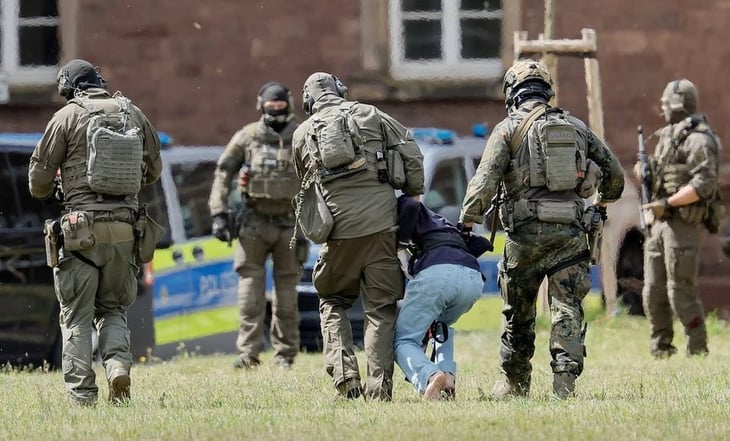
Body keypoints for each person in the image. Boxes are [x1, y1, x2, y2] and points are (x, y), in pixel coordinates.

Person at [459, 59, 624, 399]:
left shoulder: (507, 129)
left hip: (524, 239)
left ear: (512, 94)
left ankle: (514, 384)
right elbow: (615, 176)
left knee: (519, 313)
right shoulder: (577, 127)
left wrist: (466, 221)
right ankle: (565, 383)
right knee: (567, 308)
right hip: (571, 234)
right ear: (547, 91)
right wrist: (601, 206)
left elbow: (484, 180)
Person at [28, 59, 162, 406]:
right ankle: (117, 367)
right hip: (125, 229)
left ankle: (82, 396)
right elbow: (153, 170)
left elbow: (38, 179)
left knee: (76, 318)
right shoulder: (133, 112)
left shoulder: (66, 117)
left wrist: (56, 189)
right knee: (113, 310)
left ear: (68, 87)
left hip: (79, 233)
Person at [292, 72, 424, 400]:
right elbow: (412, 155)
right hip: (382, 229)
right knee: (380, 309)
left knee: (332, 300)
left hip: (337, 234)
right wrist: (412, 191)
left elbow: (303, 182)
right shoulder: (371, 114)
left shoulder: (302, 133)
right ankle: (379, 390)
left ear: (308, 102)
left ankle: (345, 379)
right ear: (341, 91)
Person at [208, 82, 304, 370]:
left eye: (279, 108)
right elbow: (223, 172)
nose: (275, 113)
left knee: (286, 293)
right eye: (270, 108)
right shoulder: (250, 136)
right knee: (251, 290)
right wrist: (219, 212)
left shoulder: (300, 135)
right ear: (261, 106)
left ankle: (282, 354)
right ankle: (251, 353)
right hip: (255, 222)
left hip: (290, 223)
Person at [638, 79, 721, 358]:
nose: (661, 107)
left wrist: (668, 203)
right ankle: (661, 348)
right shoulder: (667, 136)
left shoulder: (699, 139)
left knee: (680, 290)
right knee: (653, 290)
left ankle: (697, 348)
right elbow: (660, 172)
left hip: (682, 224)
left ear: (677, 103)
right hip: (658, 225)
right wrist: (643, 170)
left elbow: (704, 183)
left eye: (665, 102)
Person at [393, 195, 492, 401]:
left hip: (438, 273)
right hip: (472, 278)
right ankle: (447, 377)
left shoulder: (405, 205)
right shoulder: (441, 221)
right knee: (441, 325)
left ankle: (429, 376)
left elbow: (411, 203)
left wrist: (400, 246)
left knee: (404, 339)